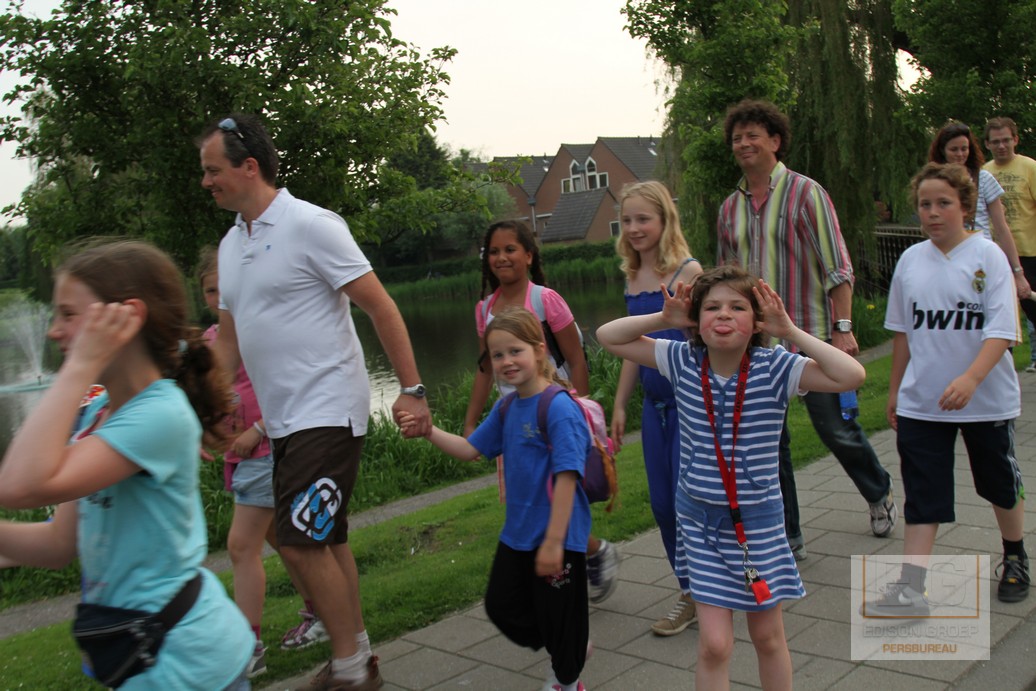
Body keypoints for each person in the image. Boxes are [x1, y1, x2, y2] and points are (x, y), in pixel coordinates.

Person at [199, 113, 432, 691]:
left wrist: (411, 390)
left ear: (248, 167)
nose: (205, 181)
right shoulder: (230, 245)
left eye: (212, 170)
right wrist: (205, 410)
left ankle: (351, 669)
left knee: (299, 541)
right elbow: (227, 343)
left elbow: (380, 306)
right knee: (327, 540)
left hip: (327, 409)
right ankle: (359, 656)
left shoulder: (311, 225)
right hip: (282, 422)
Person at [596, 264, 864, 690]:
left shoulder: (776, 368)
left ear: (757, 321)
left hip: (758, 525)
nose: (723, 314)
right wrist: (664, 319)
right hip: (700, 524)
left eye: (738, 307)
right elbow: (608, 336)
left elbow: (851, 374)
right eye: (711, 307)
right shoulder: (681, 360)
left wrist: (790, 331)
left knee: (768, 637)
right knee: (714, 645)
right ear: (696, 319)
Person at [0, 240, 253, 689]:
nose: (54, 331)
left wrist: (80, 366)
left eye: (69, 314)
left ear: (127, 317)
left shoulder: (160, 414)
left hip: (187, 665)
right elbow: (59, 544)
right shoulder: (99, 415)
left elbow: (19, 486)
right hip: (147, 659)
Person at [716, 99, 897, 559]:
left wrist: (842, 328)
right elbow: (726, 280)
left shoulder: (805, 193)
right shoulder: (729, 209)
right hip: (757, 346)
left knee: (835, 429)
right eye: (737, 137)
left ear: (775, 141)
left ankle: (878, 490)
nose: (743, 143)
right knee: (770, 445)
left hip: (809, 336)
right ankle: (790, 536)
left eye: (753, 135)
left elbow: (838, 267)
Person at [402, 306, 592, 691]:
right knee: (501, 605)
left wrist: (554, 542)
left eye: (515, 351)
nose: (506, 361)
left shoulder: (558, 406)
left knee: (559, 614)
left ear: (539, 350)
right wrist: (428, 431)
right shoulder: (507, 407)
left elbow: (568, 476)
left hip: (558, 536)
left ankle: (568, 678)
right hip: (518, 533)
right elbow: (471, 449)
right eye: (497, 354)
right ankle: (568, 646)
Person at [869, 162, 1029, 614]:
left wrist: (972, 377)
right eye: (925, 204)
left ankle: (1015, 556)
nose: (933, 212)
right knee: (923, 494)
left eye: (943, 203)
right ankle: (911, 588)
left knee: (1000, 485)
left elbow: (1003, 330)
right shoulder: (910, 261)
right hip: (924, 403)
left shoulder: (988, 256)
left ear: (965, 206)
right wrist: (896, 390)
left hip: (986, 401)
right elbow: (903, 332)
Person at [463, 219, 619, 604]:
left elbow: (576, 359)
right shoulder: (485, 309)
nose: (501, 258)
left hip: (553, 418)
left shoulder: (545, 300)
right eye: (494, 251)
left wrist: (578, 414)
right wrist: (470, 421)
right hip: (513, 422)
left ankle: (577, 563)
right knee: (531, 505)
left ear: (529, 256)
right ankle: (583, 557)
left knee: (557, 498)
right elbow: (484, 369)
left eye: (510, 249)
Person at [198, 249, 329, 676]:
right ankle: (321, 614)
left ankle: (248, 649)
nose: (219, 298)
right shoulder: (210, 341)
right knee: (284, 542)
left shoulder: (260, 331)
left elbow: (292, 384)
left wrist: (260, 428)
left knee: (241, 546)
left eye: (225, 288)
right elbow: (206, 396)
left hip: (267, 448)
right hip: (238, 456)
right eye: (210, 291)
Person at [610, 180, 703, 636]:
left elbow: (705, 340)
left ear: (665, 220)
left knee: (691, 502)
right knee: (663, 506)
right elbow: (633, 346)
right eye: (626, 220)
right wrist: (620, 404)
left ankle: (705, 589)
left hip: (690, 406)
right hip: (654, 409)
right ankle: (689, 589)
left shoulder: (688, 272)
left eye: (643, 219)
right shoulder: (632, 277)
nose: (634, 228)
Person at [929, 121, 1031, 300]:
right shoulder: (932, 182)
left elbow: (1001, 228)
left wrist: (1018, 272)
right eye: (954, 149)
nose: (960, 154)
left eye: (964, 149)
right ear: (943, 151)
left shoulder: (983, 178)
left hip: (980, 259)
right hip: (946, 258)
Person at [983, 116, 1036, 335]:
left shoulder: (1030, 167)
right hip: (995, 255)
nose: (1001, 146)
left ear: (1015, 140)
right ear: (987, 144)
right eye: (995, 141)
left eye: (1006, 140)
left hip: (1029, 253)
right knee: (999, 318)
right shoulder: (983, 172)